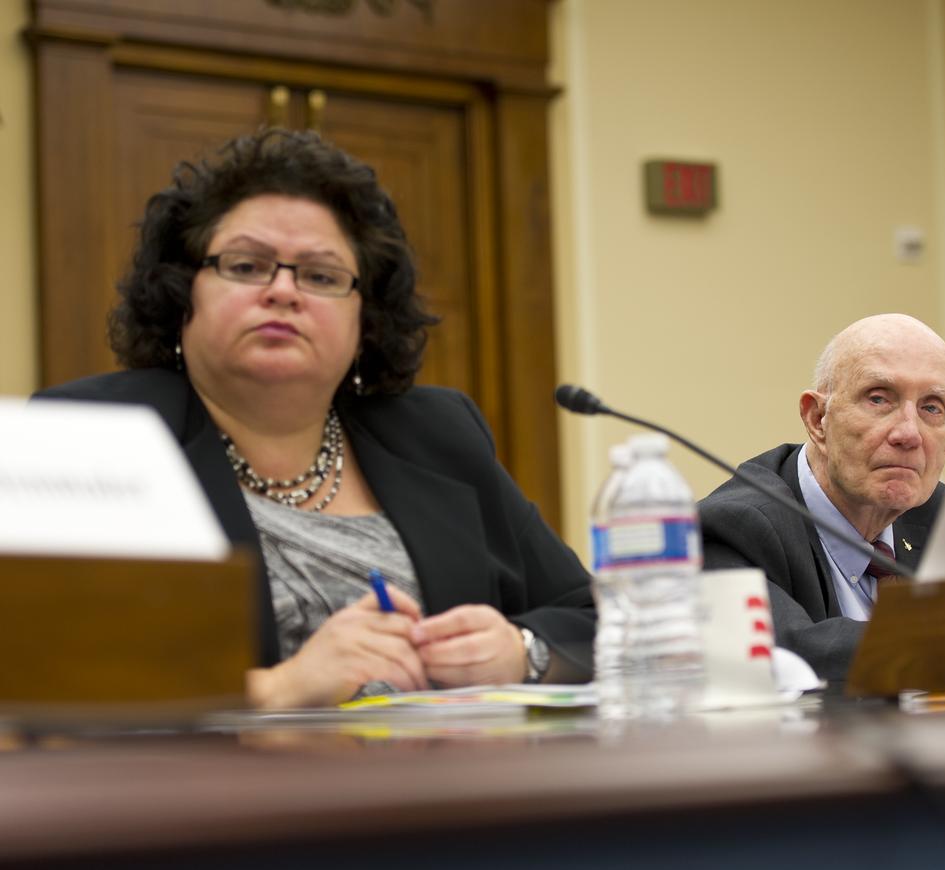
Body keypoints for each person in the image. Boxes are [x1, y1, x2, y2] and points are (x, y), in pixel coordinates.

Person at [37, 129, 594, 708]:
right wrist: (280, 687)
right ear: (182, 297)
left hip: (450, 787)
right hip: (208, 795)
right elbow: (39, 670)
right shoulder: (96, 432)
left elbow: (598, 619)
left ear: (365, 320)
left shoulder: (439, 434)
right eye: (247, 266)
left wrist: (522, 650)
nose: (282, 291)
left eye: (321, 276)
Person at [699, 314, 945, 682]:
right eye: (878, 399)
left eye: (931, 407)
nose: (909, 434)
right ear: (817, 418)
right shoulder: (737, 525)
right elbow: (792, 658)